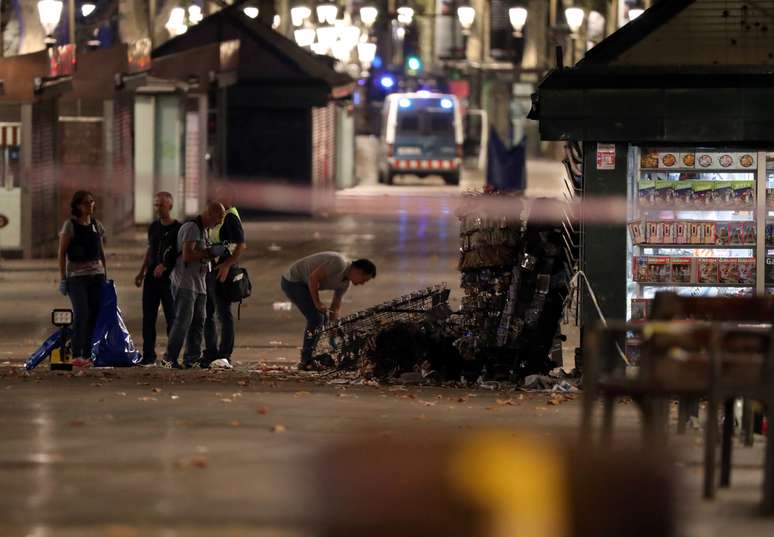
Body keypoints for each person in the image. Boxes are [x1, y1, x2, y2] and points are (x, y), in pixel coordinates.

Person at [281, 252, 376, 370]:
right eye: (364, 280)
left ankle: (314, 356)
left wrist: (333, 332)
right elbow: (313, 278)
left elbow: (335, 308)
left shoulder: (344, 284)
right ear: (358, 271)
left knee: (324, 318)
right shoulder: (339, 264)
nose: (362, 284)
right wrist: (317, 303)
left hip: (305, 284)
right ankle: (306, 360)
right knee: (316, 318)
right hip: (293, 281)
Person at [163, 202, 226, 369]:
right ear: (210, 214)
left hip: (199, 283)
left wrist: (213, 252)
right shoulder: (192, 228)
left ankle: (192, 358)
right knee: (183, 321)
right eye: (219, 218)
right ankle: (169, 359)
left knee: (199, 322)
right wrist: (210, 252)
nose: (220, 222)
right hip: (185, 282)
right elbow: (188, 255)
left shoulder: (205, 230)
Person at [57, 190, 106, 367]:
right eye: (86, 202)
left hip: (96, 276)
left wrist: (105, 275)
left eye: (92, 202)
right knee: (82, 313)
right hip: (77, 278)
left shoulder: (96, 225)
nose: (90, 205)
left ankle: (87, 353)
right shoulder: (69, 226)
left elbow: (100, 252)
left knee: (94, 314)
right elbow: (62, 253)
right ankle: (76, 353)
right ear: (78, 205)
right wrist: (63, 279)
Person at [203, 185, 247, 369]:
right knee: (209, 313)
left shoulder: (230, 217)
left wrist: (227, 265)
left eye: (221, 194)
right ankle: (211, 352)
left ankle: (224, 354)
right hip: (213, 269)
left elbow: (241, 245)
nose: (217, 197)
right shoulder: (222, 216)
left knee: (223, 313)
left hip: (223, 271)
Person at [134, 192, 180, 366]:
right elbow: (150, 250)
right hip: (151, 278)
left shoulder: (178, 228)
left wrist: (166, 266)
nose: (158, 208)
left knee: (172, 317)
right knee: (148, 318)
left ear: (170, 206)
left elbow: (180, 254)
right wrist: (141, 272)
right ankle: (148, 355)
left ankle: (171, 356)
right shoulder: (153, 227)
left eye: (161, 205)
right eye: (156, 205)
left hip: (169, 280)